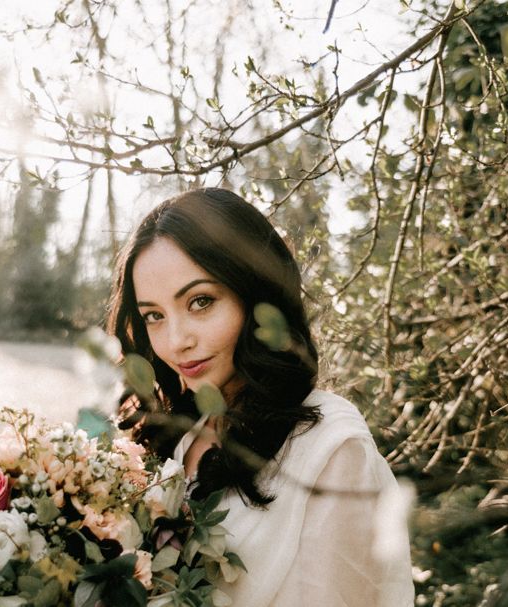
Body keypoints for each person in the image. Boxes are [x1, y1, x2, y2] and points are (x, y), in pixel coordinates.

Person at [107, 188, 414, 606]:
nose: (176, 341)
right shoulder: (176, 435)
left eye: (200, 302)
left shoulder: (331, 448)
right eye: (154, 316)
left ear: (256, 295)